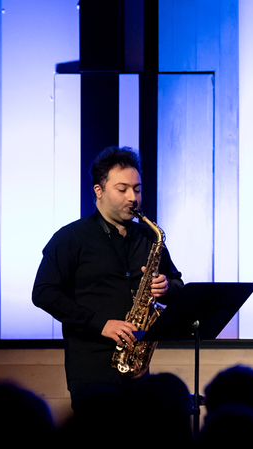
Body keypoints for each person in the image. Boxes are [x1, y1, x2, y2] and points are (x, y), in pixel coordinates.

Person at [32, 146, 184, 406]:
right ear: (98, 191)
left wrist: (167, 287)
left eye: (137, 189)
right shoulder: (71, 238)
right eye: (122, 189)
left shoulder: (149, 237)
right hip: (91, 369)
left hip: (138, 370)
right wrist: (99, 323)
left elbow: (178, 285)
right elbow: (44, 293)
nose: (133, 198)